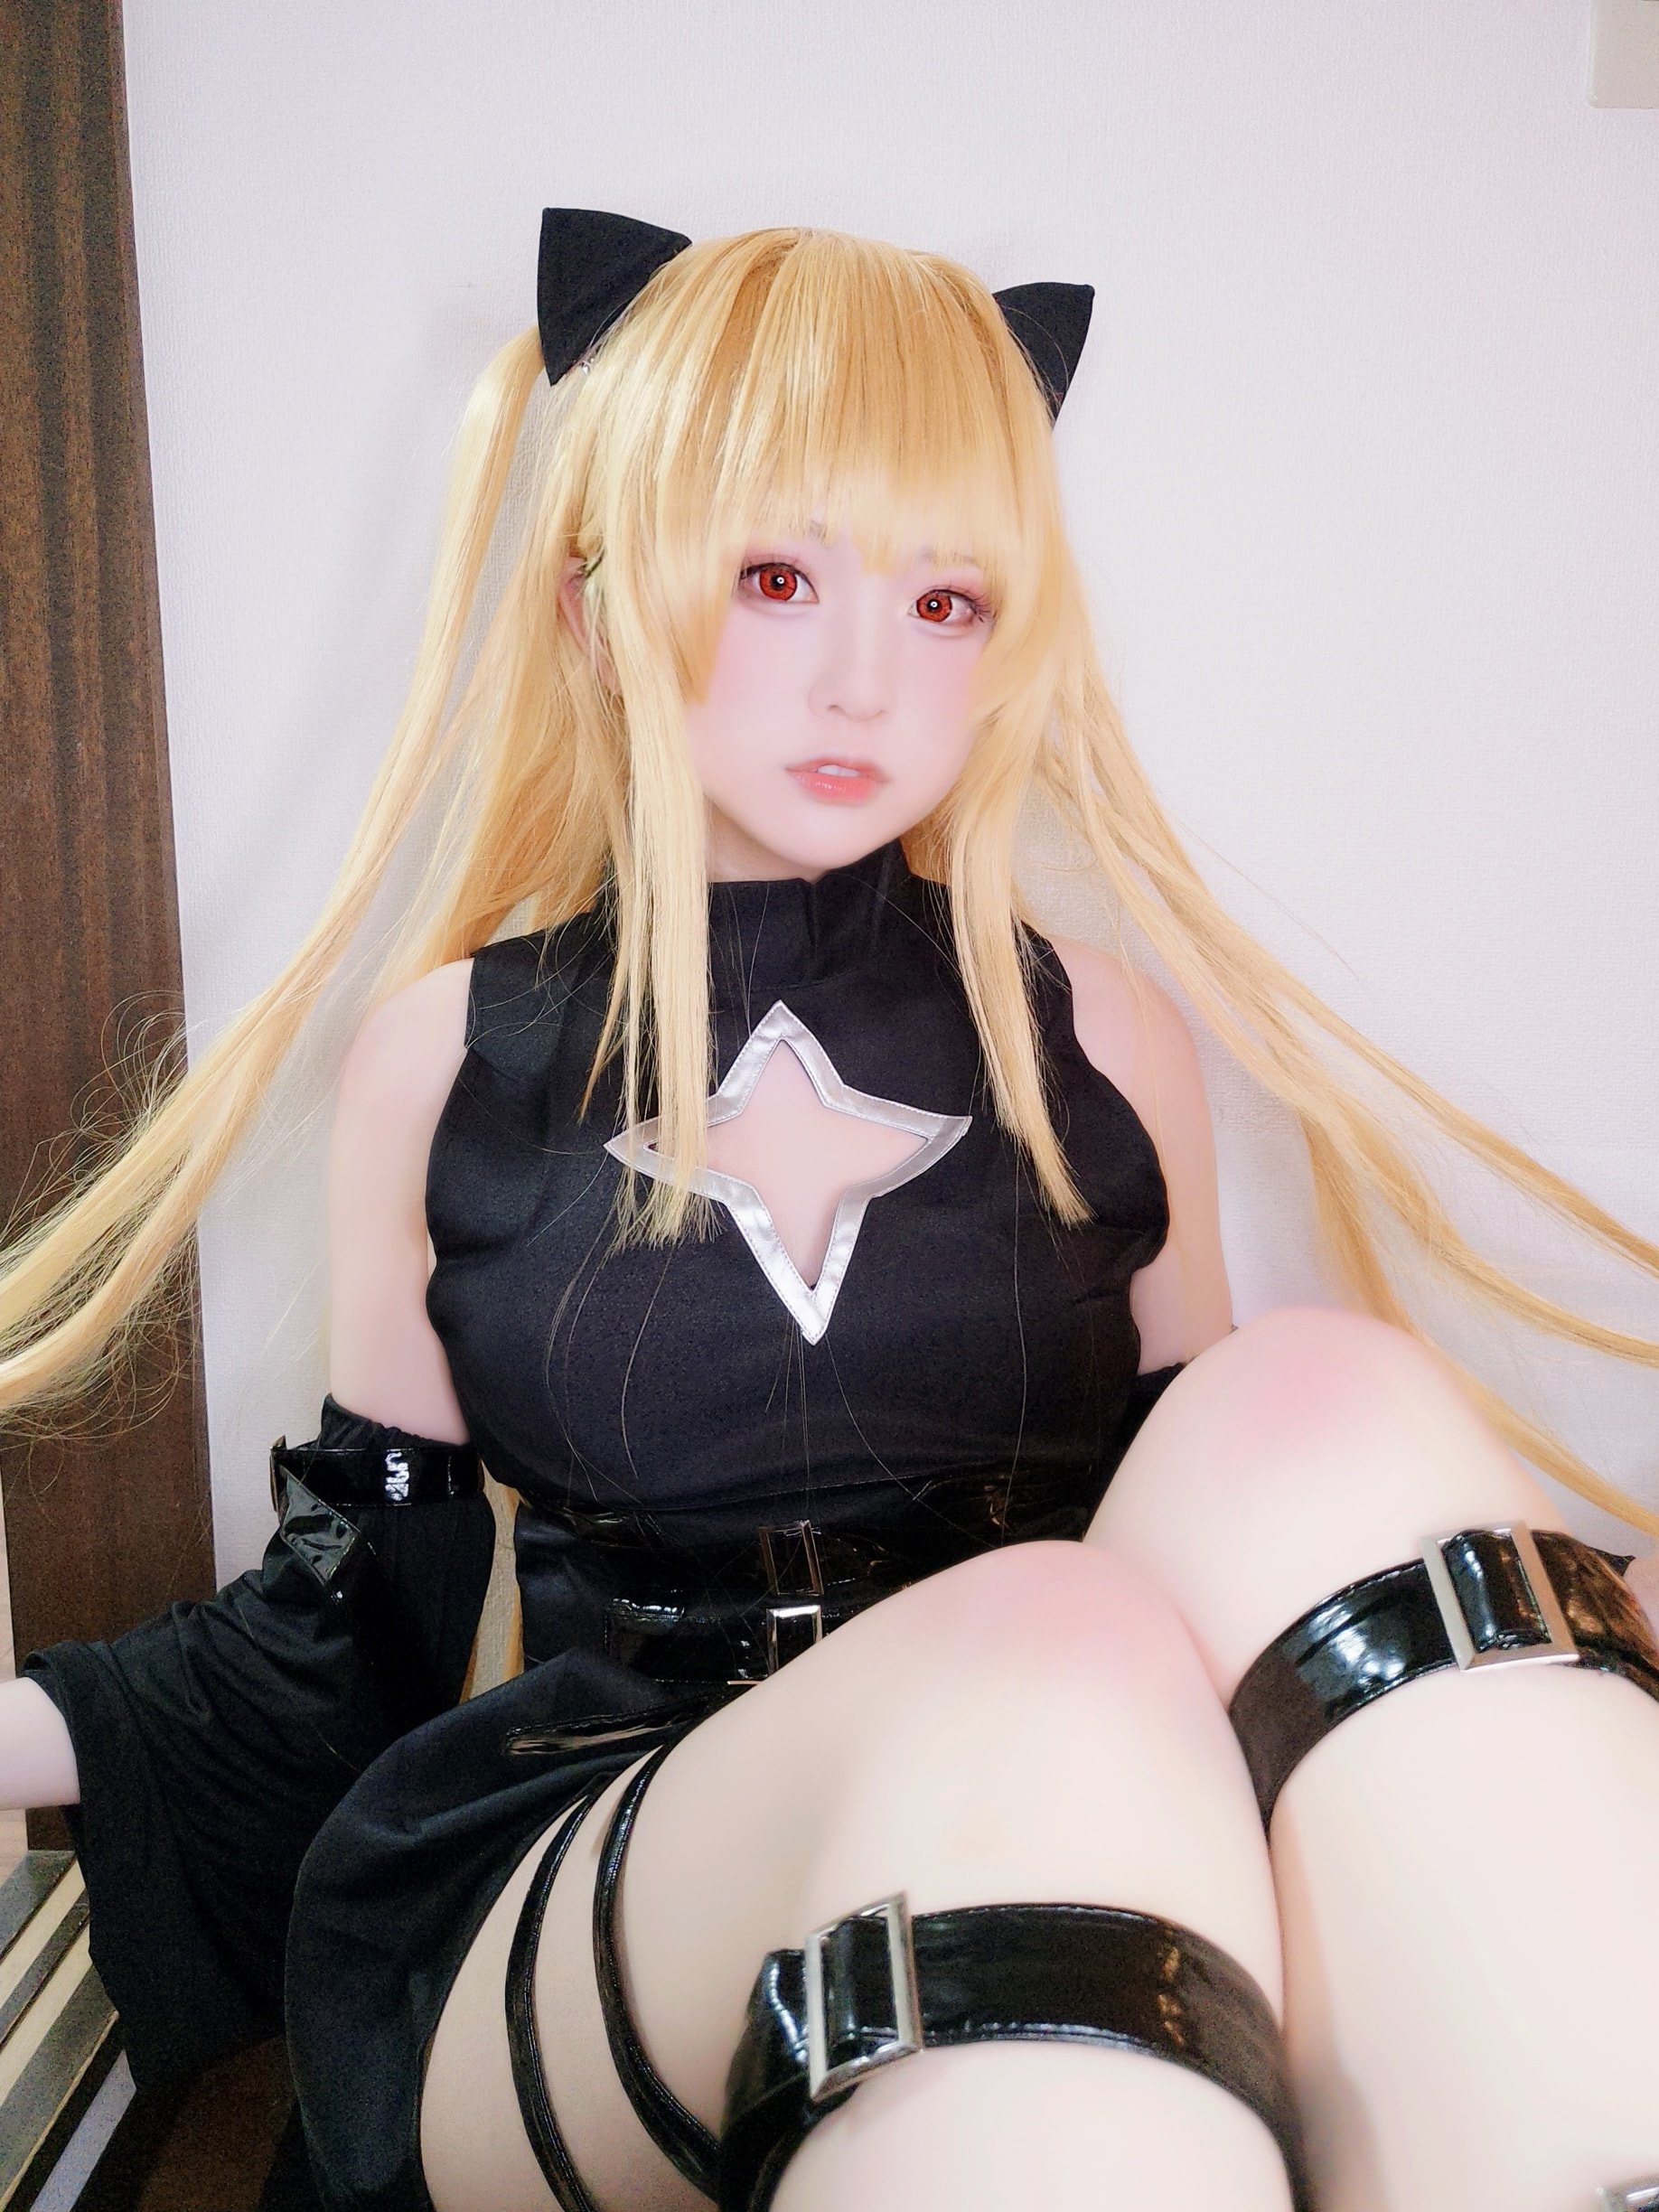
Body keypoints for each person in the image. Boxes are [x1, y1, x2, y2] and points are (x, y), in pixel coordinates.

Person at [1, 211, 1657, 2212]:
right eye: (776, 578)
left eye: (948, 601)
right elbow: (344, 1622)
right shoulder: (450, 1059)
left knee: (1307, 1400)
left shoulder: (1101, 1034)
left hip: (1082, 1801)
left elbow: (1237, 1543)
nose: (869, 678)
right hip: (601, 1856)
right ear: (597, 606)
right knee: (1043, 1632)